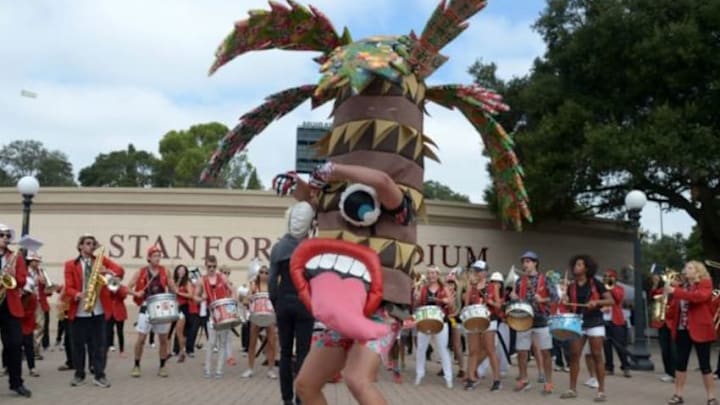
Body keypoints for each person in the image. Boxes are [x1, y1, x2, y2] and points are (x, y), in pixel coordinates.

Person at [269, 201, 316, 405]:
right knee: (304, 352)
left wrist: (276, 301)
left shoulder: (278, 247)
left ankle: (286, 399)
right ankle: (300, 398)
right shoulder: (310, 247)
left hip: (284, 301)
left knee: (285, 352)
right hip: (305, 302)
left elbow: (272, 281)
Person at [64, 234, 125, 388]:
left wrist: (107, 271)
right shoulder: (70, 264)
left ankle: (99, 375)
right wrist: (77, 294)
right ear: (80, 246)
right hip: (79, 311)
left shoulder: (100, 260)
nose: (91, 246)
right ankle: (79, 374)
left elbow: (120, 271)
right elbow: (68, 287)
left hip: (98, 310)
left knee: (99, 345)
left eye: (93, 243)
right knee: (78, 346)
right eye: (88, 243)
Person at [560, 254, 613, 402]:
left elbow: (611, 300)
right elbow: (568, 305)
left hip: (595, 321)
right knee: (574, 355)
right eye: (575, 264)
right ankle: (572, 389)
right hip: (577, 322)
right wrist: (565, 300)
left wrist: (596, 302)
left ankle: (601, 391)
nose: (576, 267)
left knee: (597, 355)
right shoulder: (571, 286)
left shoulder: (596, 283)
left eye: (579, 264)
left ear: (586, 268)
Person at [665, 261, 716, 405]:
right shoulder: (681, 287)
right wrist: (669, 295)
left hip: (701, 328)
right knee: (680, 363)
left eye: (689, 268)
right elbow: (674, 307)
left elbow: (698, 297)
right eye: (685, 268)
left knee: (705, 365)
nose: (685, 270)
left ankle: (711, 397)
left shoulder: (705, 283)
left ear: (697, 271)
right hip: (683, 328)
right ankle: (678, 395)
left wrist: (676, 291)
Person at [510, 251, 557, 395]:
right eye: (524, 262)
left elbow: (555, 297)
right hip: (523, 319)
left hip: (541, 319)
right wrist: (514, 297)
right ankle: (524, 379)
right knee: (521, 352)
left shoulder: (546, 279)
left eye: (528, 261)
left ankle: (548, 382)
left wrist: (542, 300)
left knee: (545, 352)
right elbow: (517, 300)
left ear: (535, 263)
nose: (525, 264)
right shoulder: (519, 281)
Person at [128, 245, 177, 378]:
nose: (158, 258)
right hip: (146, 305)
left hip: (162, 306)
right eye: (155, 256)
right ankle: (136, 365)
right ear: (149, 258)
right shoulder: (141, 272)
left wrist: (174, 288)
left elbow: (173, 288)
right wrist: (136, 293)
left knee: (163, 339)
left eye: (159, 256)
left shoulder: (165, 271)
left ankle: (162, 366)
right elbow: (127, 287)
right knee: (141, 338)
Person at [0, 224, 32, 397]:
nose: (5, 238)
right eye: (1, 235)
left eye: (7, 235)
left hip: (10, 306)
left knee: (14, 344)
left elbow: (22, 280)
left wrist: (13, 275)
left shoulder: (15, 257)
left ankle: (16, 382)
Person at [462, 260, 502, 391]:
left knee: (490, 350)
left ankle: (497, 380)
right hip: (474, 320)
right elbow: (466, 306)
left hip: (489, 319)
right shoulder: (471, 287)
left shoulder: (492, 286)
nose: (477, 273)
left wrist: (489, 301)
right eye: (475, 271)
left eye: (479, 271)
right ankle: (471, 378)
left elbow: (499, 305)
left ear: (485, 272)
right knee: (473, 350)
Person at [414, 265, 454, 388]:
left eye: (433, 273)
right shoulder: (423, 288)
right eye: (429, 273)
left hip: (441, 320)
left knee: (442, 349)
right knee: (421, 348)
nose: (431, 275)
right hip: (425, 320)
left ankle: (448, 377)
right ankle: (419, 374)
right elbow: (417, 303)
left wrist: (445, 301)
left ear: (437, 275)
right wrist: (416, 295)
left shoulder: (444, 288)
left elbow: (451, 303)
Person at [196, 255, 234, 378]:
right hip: (211, 314)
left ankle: (219, 370)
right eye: (209, 266)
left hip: (224, 313)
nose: (212, 268)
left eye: (214, 266)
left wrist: (232, 300)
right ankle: (207, 369)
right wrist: (202, 298)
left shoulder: (222, 277)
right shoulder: (202, 280)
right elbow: (195, 297)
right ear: (205, 266)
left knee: (222, 342)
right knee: (211, 343)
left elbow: (232, 290)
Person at [242, 264, 278, 379]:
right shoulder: (254, 285)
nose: (264, 274)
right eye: (261, 272)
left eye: (266, 272)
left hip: (269, 315)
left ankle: (271, 370)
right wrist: (249, 298)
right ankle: (250, 368)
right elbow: (245, 300)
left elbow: (277, 300)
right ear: (258, 274)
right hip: (256, 315)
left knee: (272, 343)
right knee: (252, 343)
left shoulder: (273, 286)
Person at [601, 269, 631, 378]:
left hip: (616, 319)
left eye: (610, 276)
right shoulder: (601, 289)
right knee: (606, 345)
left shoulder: (619, 288)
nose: (608, 278)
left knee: (620, 345)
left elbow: (618, 298)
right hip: (604, 319)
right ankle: (609, 367)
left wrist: (610, 287)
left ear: (615, 278)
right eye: (606, 276)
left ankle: (626, 367)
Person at [650, 271, 677, 383]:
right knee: (665, 349)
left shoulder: (677, 290)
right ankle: (668, 372)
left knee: (673, 349)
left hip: (673, 323)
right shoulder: (663, 290)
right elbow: (654, 295)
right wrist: (655, 283)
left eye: (671, 278)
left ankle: (675, 373)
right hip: (662, 322)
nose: (669, 280)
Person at [170, 264, 199, 360]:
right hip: (174, 308)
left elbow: (190, 295)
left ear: (186, 272)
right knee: (176, 331)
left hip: (184, 307)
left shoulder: (187, 282)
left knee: (180, 329)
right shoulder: (174, 281)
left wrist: (179, 292)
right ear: (176, 271)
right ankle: (177, 349)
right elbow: (171, 292)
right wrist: (176, 286)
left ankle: (183, 350)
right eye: (179, 270)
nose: (181, 272)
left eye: (183, 270)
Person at [107, 278, 128, 358]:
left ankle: (122, 350)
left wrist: (118, 289)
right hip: (110, 312)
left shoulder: (122, 288)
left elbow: (124, 296)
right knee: (108, 331)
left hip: (119, 312)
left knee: (120, 332)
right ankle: (109, 345)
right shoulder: (108, 287)